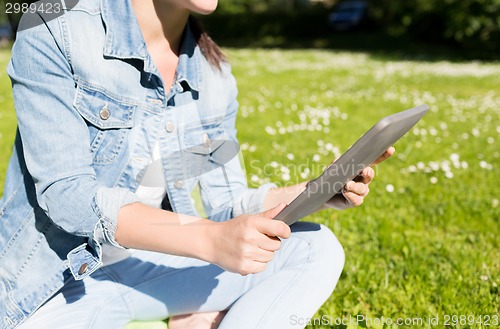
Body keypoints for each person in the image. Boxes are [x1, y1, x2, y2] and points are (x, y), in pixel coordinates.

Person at [0, 0, 394, 328]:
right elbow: (68, 196)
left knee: (315, 246)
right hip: (62, 283)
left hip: (151, 268)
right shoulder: (54, 28)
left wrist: (315, 191)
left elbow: (226, 203)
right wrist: (210, 240)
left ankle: (196, 314)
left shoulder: (213, 73)